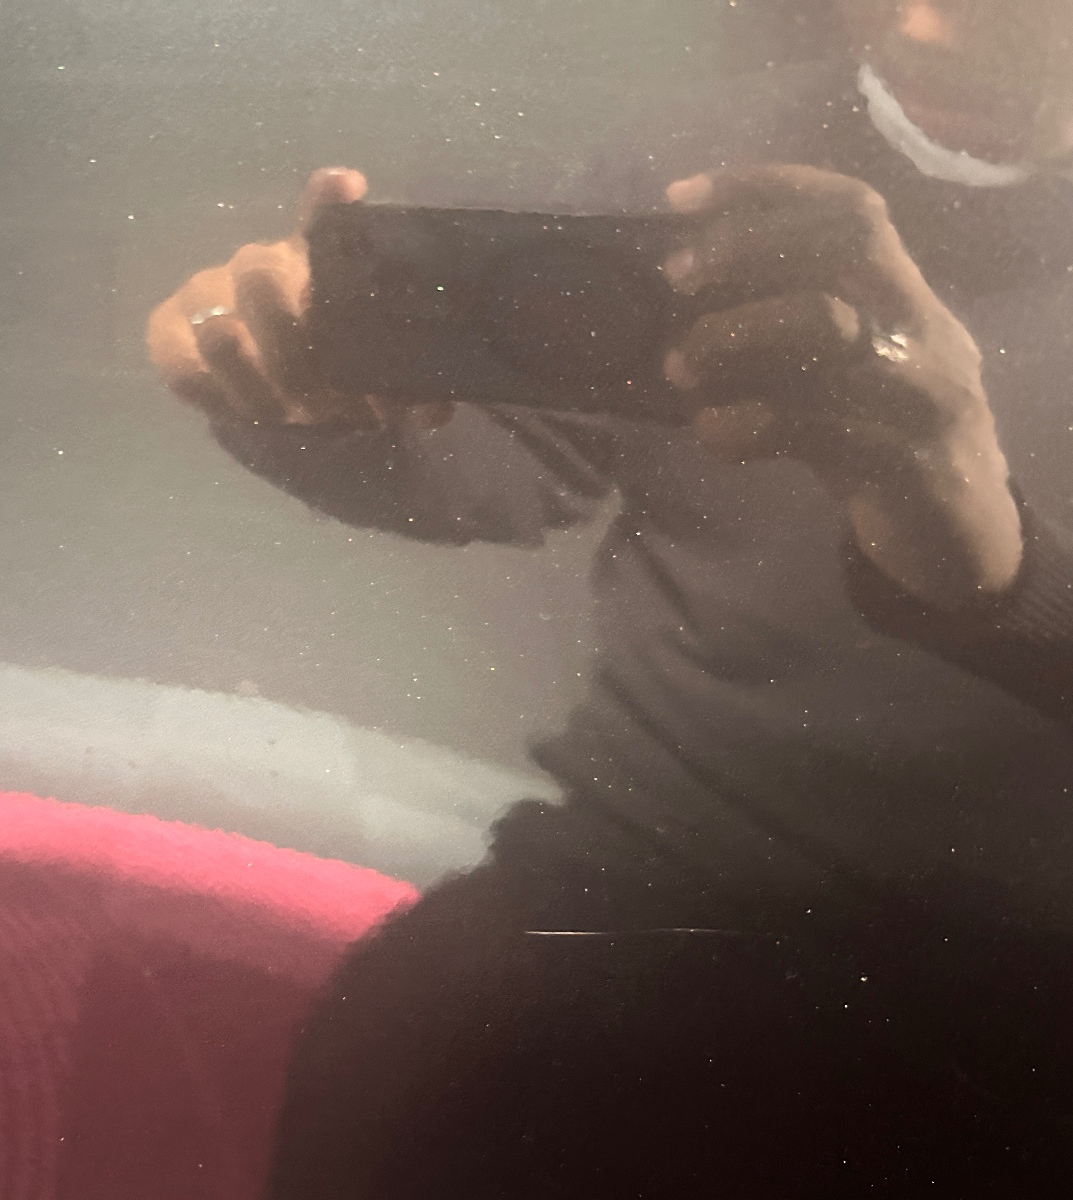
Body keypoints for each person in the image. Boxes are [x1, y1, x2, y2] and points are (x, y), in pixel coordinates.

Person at [146, 0, 1073, 1191]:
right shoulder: (701, 160)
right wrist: (308, 410)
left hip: (1024, 970)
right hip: (643, 882)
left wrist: (999, 569)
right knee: (399, 1049)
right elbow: (521, 460)